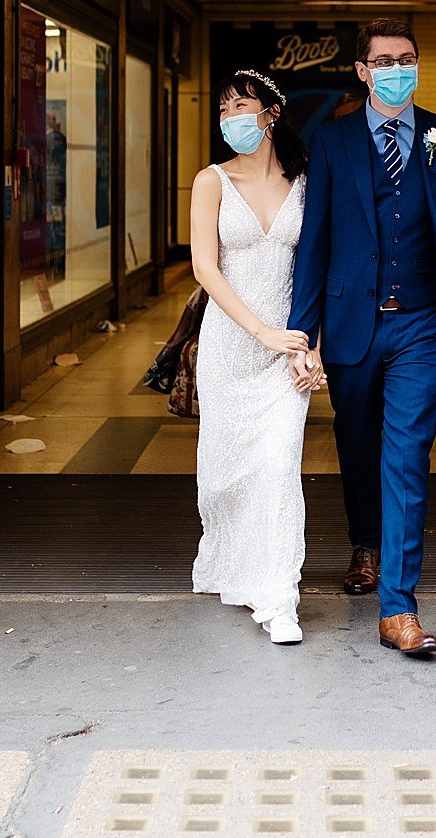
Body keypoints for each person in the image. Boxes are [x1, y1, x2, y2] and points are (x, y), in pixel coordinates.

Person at [289, 18, 436, 657]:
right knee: (357, 443)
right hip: (350, 323)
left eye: (408, 58)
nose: (398, 68)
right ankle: (364, 543)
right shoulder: (334, 141)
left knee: (407, 457)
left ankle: (398, 607)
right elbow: (314, 239)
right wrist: (303, 331)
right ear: (364, 72)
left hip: (422, 323)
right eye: (386, 60)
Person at [187, 69, 323, 647]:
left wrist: (305, 342)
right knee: (228, 475)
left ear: (270, 112)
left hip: (285, 351)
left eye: (240, 105)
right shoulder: (210, 181)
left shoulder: (307, 181)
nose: (230, 119)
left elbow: (317, 267)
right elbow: (204, 268)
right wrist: (261, 331)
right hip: (231, 345)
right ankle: (236, 565)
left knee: (277, 466)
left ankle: (278, 597)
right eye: (223, 111)